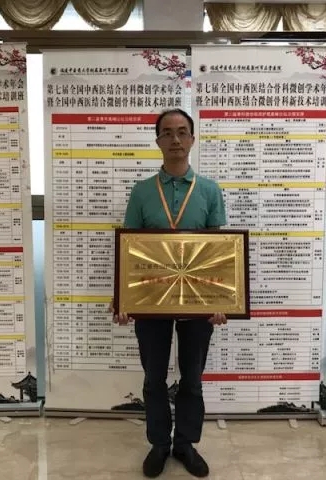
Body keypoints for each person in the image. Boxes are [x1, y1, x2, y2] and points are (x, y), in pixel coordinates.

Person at [110, 108, 228, 478]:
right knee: (154, 379)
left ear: (192, 138)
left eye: (181, 132)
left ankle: (185, 443)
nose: (175, 139)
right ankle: (159, 443)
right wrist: (123, 298)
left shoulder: (209, 190)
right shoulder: (142, 191)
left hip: (197, 301)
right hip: (151, 301)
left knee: (192, 378)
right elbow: (129, 249)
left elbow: (219, 253)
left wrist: (221, 301)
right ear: (158, 140)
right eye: (167, 133)